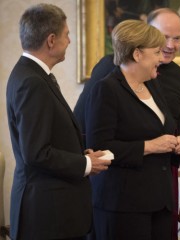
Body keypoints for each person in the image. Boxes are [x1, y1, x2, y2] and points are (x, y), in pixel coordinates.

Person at [74, 8, 180, 240]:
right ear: (137, 54)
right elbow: (100, 147)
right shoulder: (106, 87)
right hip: (122, 203)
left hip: (159, 201)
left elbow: (167, 128)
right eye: (157, 51)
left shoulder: (153, 83)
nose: (162, 56)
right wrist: (150, 146)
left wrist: (176, 142)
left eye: (176, 39)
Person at [6, 4, 111, 240]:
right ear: (51, 40)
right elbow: (36, 152)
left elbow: (46, 139)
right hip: (46, 215)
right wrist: (85, 164)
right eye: (67, 35)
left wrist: (80, 154)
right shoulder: (32, 82)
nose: (70, 41)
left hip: (51, 210)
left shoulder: (33, 75)